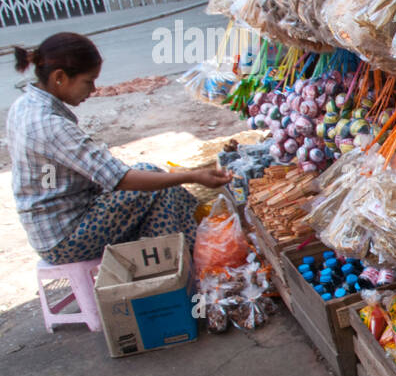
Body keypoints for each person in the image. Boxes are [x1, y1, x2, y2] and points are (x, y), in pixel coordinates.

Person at [7, 32, 232, 265]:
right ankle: (208, 256)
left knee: (161, 194)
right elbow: (120, 179)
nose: (93, 89)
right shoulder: (50, 125)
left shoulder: (25, 105)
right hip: (65, 237)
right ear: (60, 77)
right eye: (88, 81)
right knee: (159, 185)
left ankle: (176, 265)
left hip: (51, 225)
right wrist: (193, 176)